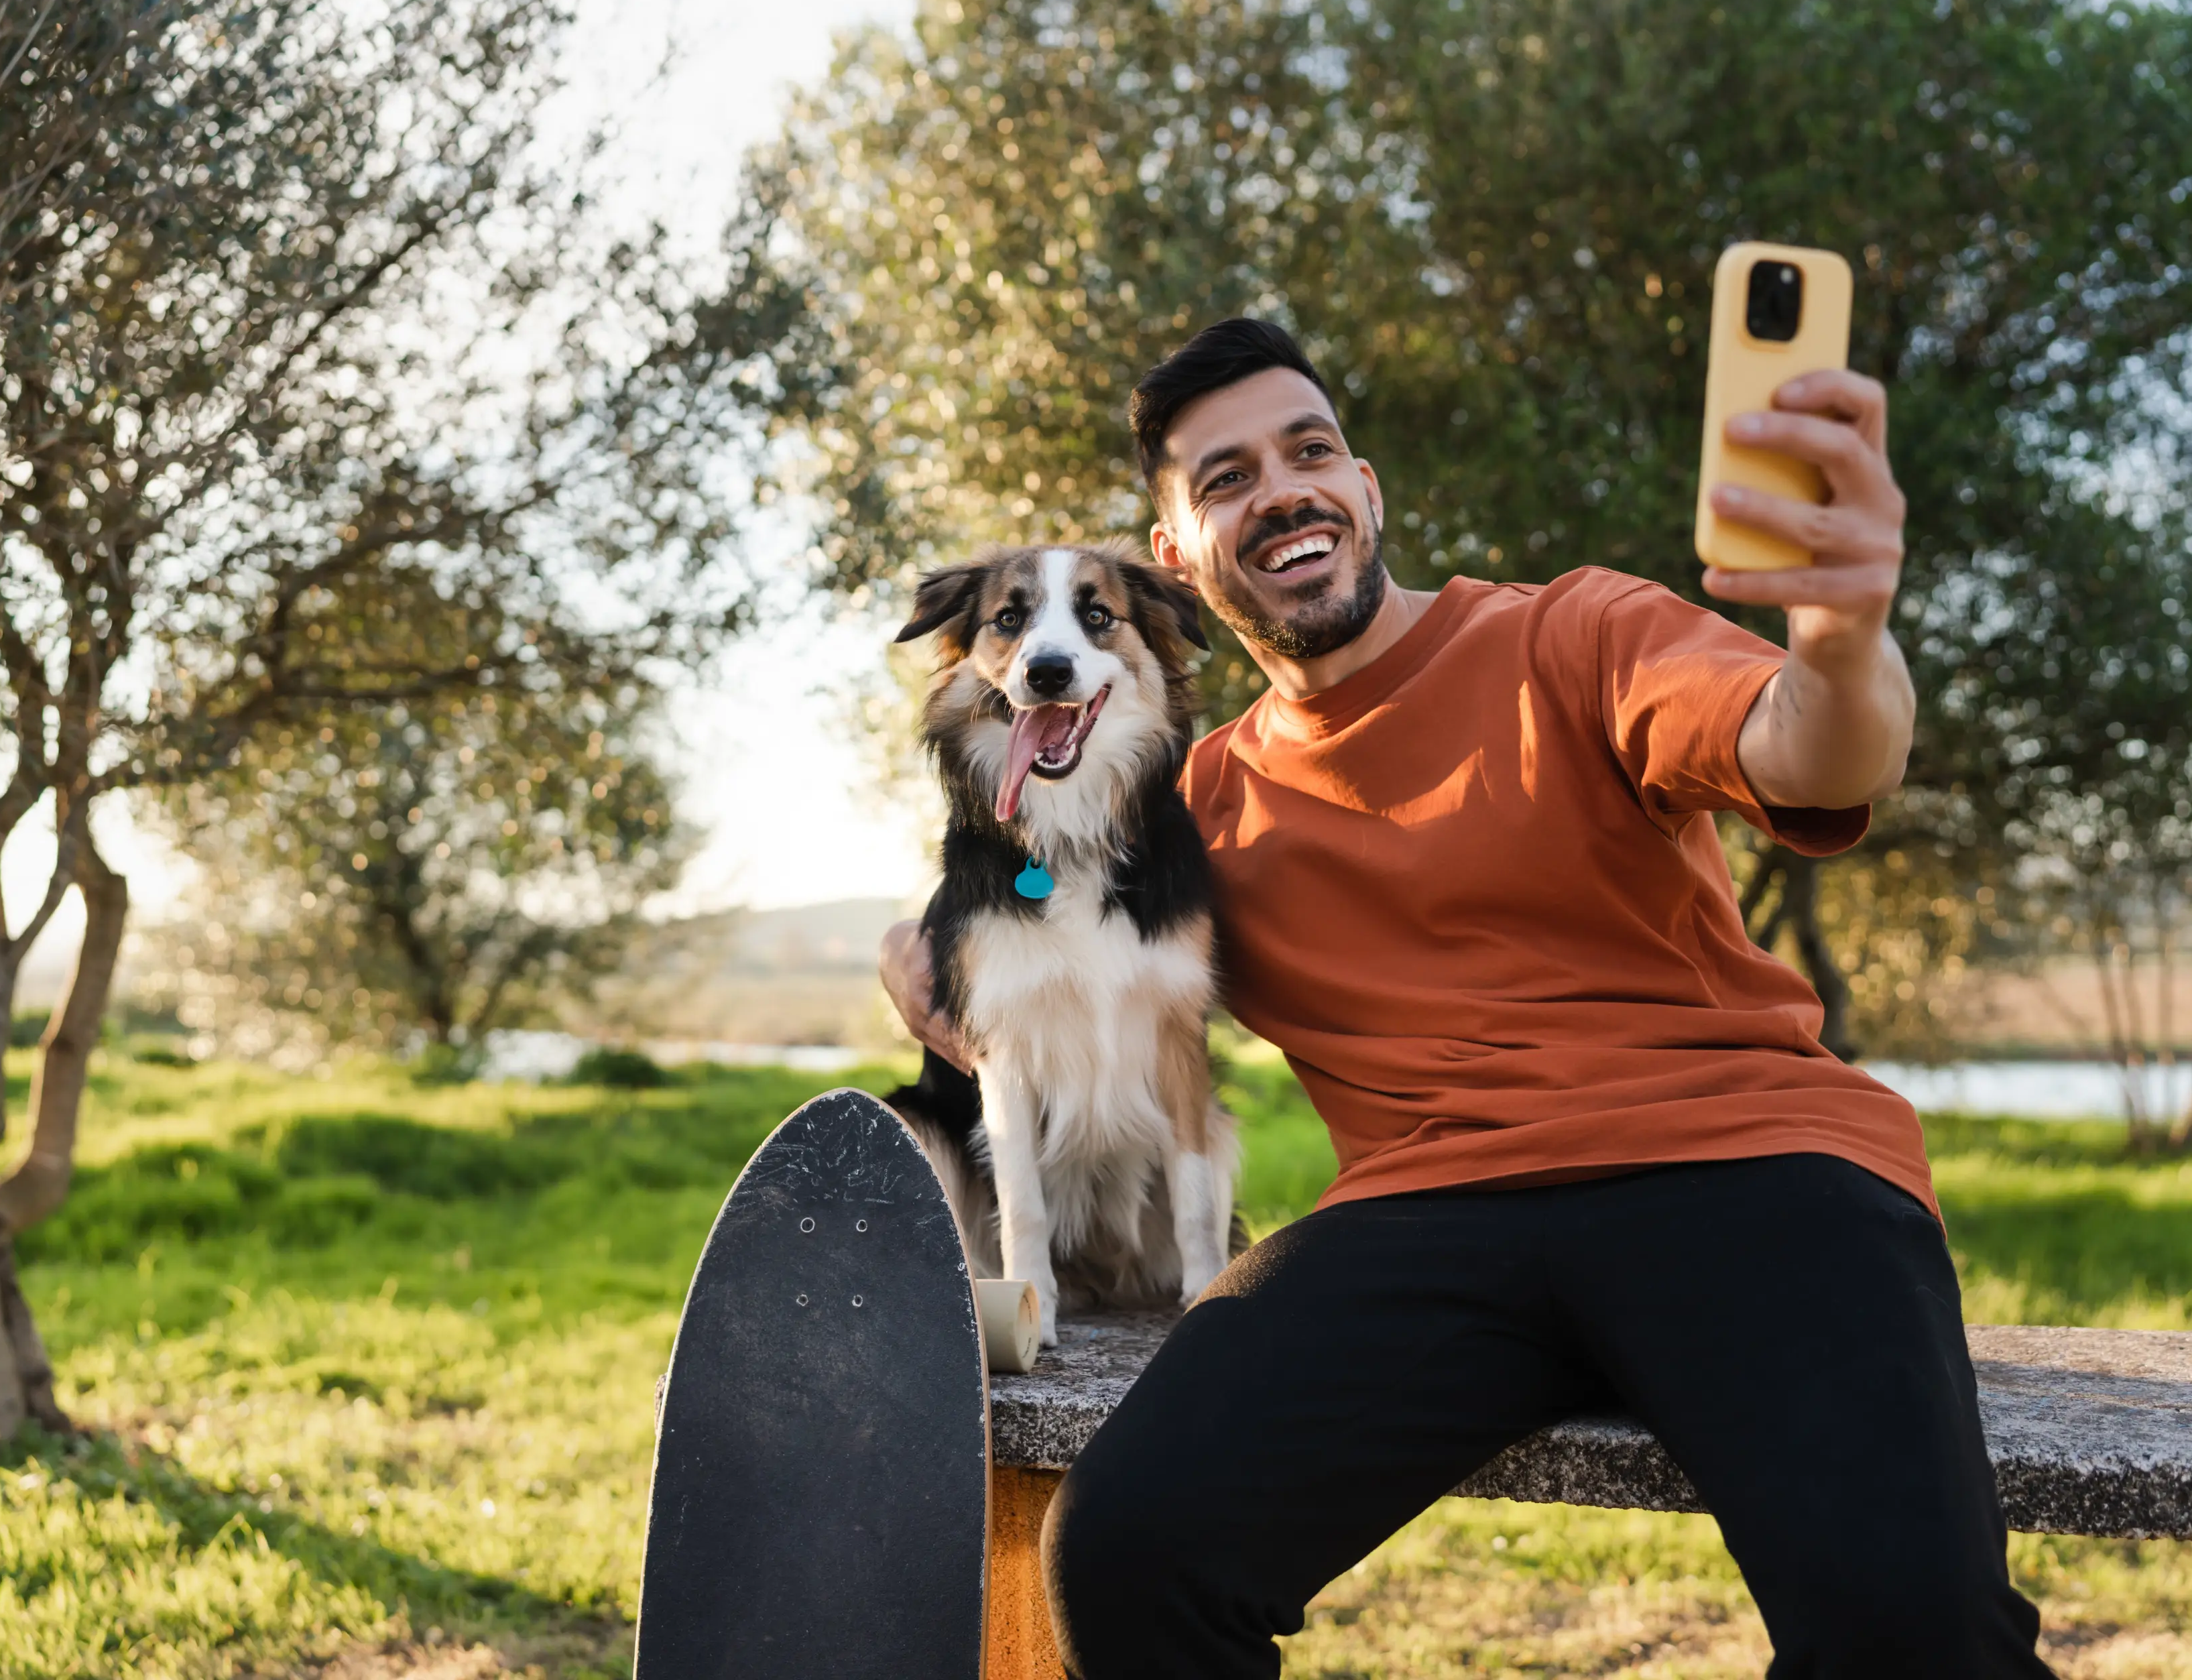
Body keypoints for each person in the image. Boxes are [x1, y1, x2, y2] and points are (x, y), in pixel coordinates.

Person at [878, 317, 2054, 1679]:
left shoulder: (1577, 632)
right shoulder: (1199, 800)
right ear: (1181, 560)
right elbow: (1045, 896)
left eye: (1309, 452)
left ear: (1366, 491)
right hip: (1429, 1225)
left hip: (1747, 1166)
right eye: (1227, 478)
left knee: (1913, 1637)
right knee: (1131, 1551)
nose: (1283, 489)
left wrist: (1845, 633)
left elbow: (1810, 742)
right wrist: (928, 937)